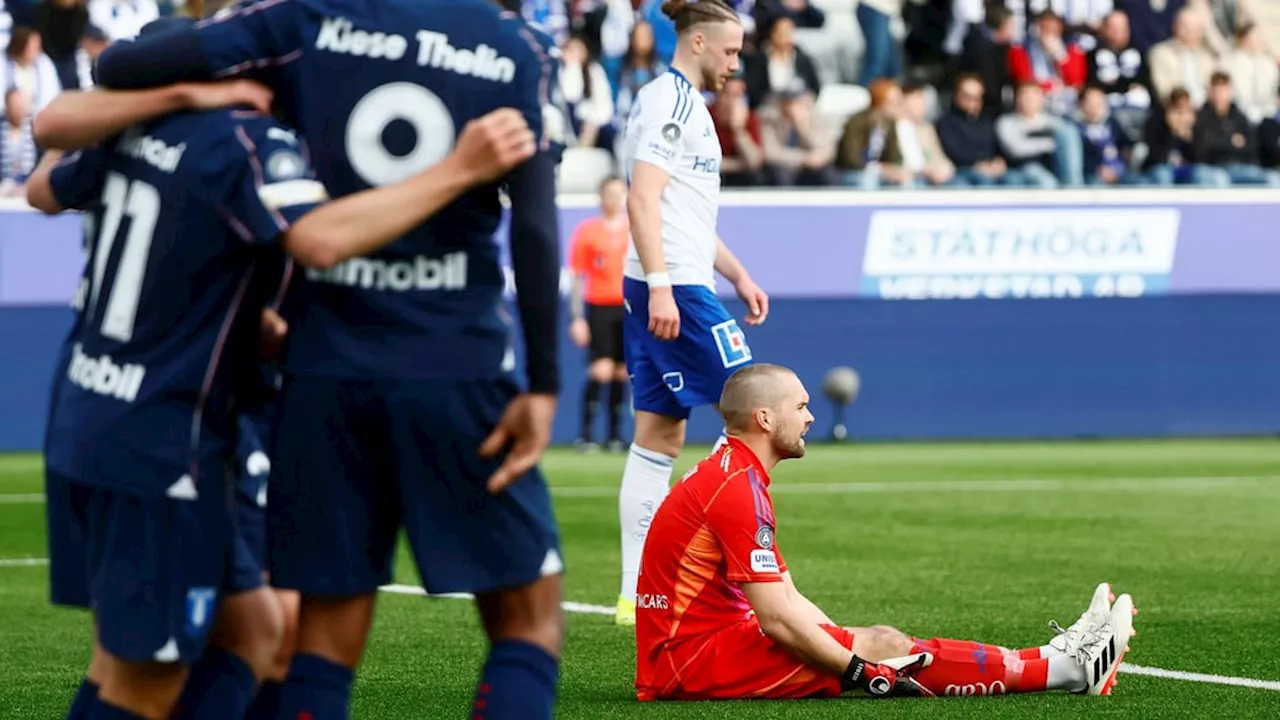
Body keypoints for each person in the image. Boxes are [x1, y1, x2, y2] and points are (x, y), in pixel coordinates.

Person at [67, 2, 568, 718]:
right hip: (459, 364)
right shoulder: (518, 44)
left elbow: (117, 66)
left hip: (322, 364)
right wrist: (545, 383)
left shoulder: (309, 16)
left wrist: (199, 84)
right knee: (529, 622)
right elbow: (537, 225)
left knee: (323, 639)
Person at [635, 363, 1138, 701]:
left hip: (695, 648)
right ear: (765, 418)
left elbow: (785, 597)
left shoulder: (732, 473)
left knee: (875, 641)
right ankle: (1065, 669)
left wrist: (844, 642)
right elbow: (777, 621)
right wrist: (858, 666)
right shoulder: (737, 488)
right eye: (801, 407)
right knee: (883, 646)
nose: (810, 417)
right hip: (691, 661)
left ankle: (1054, 658)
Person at [614, 0, 770, 627]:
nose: (736, 64)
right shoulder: (670, 102)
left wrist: (738, 273)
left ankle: (636, 593)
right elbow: (642, 197)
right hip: (671, 285)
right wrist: (660, 286)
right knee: (762, 411)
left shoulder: (691, 109)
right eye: (730, 52)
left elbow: (686, 216)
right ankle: (748, 578)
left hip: (674, 278)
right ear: (699, 42)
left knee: (659, 435)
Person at [568, 175, 630, 452]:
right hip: (600, 307)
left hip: (628, 308)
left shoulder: (635, 229)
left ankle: (616, 436)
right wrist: (578, 317)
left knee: (621, 372)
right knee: (601, 370)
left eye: (619, 193)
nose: (614, 199)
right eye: (609, 193)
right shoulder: (588, 231)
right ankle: (586, 434)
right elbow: (578, 277)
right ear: (600, 197)